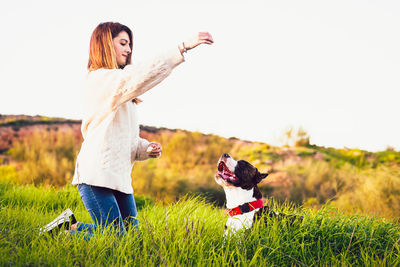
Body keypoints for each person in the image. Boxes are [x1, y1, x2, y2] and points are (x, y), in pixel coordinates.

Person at [39, 22, 213, 238]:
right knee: (116, 238)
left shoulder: (124, 96)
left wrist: (145, 148)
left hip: (120, 178)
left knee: (131, 239)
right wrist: (181, 48)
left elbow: (124, 138)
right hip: (96, 175)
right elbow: (137, 76)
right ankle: (63, 233)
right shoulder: (100, 80)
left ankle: (67, 226)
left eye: (129, 44)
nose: (129, 49)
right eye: (123, 43)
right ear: (104, 45)